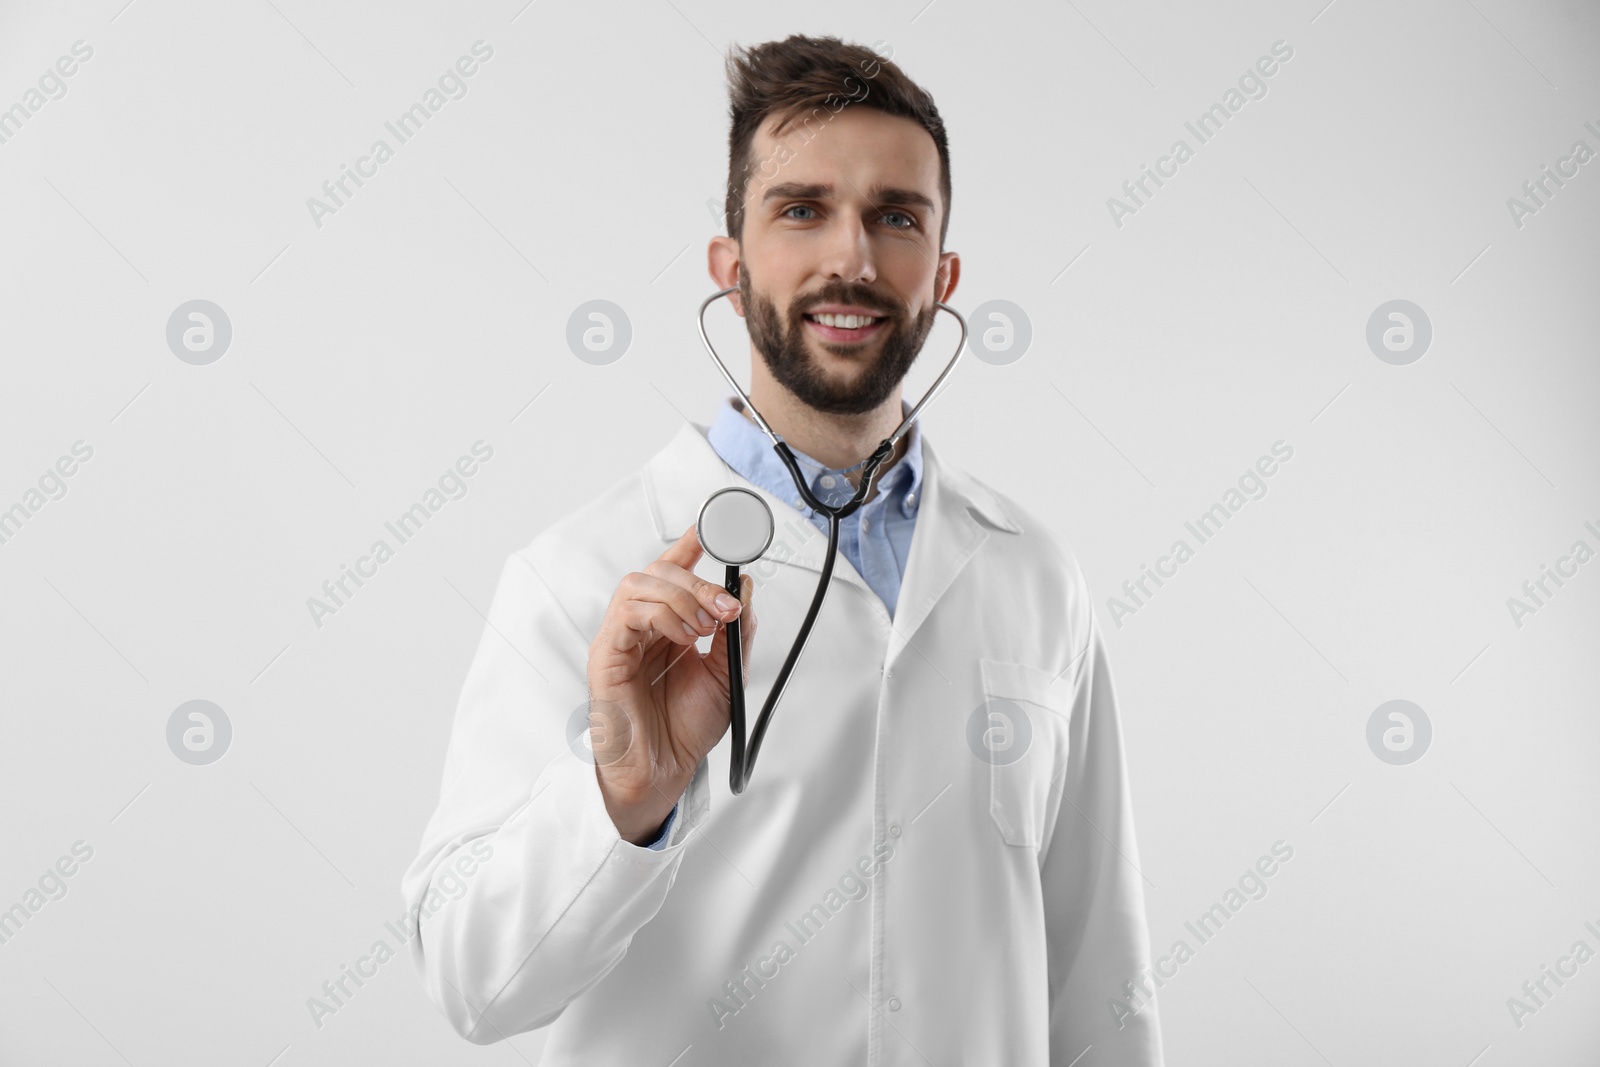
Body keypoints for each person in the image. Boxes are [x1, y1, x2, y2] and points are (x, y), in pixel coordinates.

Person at [401, 33, 1164, 1065]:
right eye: (800, 209)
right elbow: (472, 978)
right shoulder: (580, 575)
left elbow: (1099, 973)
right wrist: (621, 795)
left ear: (941, 274)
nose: (850, 257)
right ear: (731, 263)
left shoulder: (1032, 575)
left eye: (894, 216)